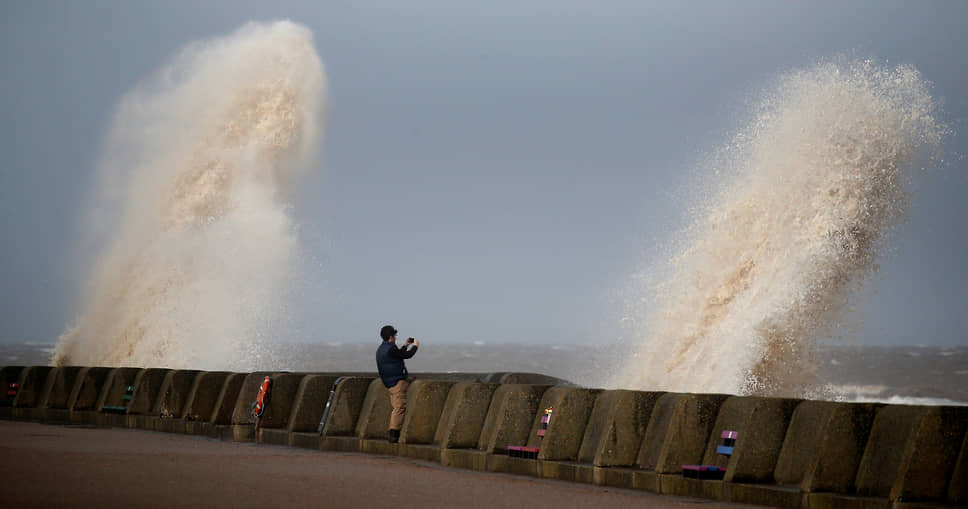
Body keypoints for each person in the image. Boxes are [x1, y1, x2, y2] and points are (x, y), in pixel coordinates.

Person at [375, 325, 419, 443]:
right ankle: (394, 435)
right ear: (391, 337)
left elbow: (398, 354)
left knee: (396, 406)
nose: (395, 338)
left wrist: (405, 345)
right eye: (394, 336)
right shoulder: (390, 348)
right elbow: (407, 355)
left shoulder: (382, 349)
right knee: (399, 407)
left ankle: (394, 434)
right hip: (396, 382)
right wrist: (415, 346)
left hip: (389, 382)